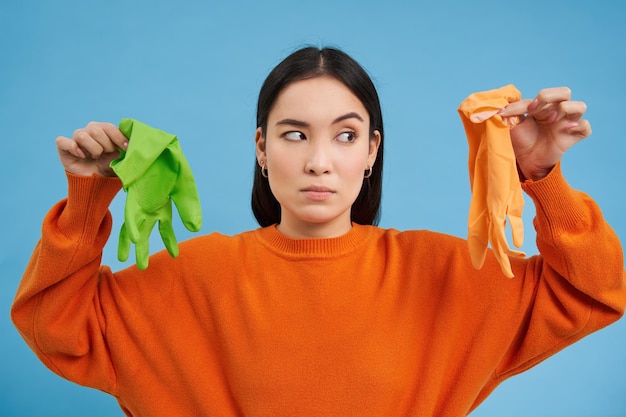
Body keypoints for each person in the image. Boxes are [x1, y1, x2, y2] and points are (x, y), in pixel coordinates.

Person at [11, 46, 626, 416]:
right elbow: (54, 322)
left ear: (371, 152)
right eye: (295, 134)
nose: (319, 161)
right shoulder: (193, 279)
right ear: (261, 147)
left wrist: (541, 176)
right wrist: (88, 198)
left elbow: (593, 292)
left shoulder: (442, 273)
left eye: (346, 134)